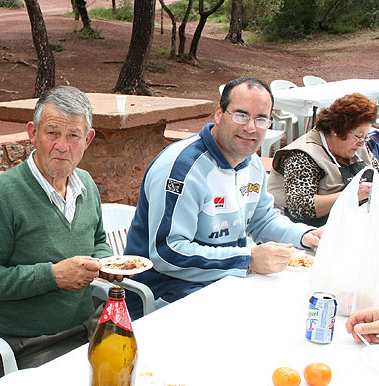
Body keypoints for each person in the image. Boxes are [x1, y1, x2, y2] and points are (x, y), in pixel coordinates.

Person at [123, 77, 322, 319]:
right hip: (162, 295)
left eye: (261, 119)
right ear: (219, 114)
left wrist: (304, 236)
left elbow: (262, 221)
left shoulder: (253, 165)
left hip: (223, 283)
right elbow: (168, 253)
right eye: (241, 115)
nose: (251, 127)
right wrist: (247, 260)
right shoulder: (182, 169)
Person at [0, 86, 123, 377]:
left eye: (73, 135)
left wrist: (106, 263)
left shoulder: (86, 183)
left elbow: (98, 240)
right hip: (25, 342)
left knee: (137, 370)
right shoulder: (2, 196)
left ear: (88, 139)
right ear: (33, 134)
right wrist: (53, 276)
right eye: (52, 133)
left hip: (86, 324)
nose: (62, 146)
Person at [268, 93, 378, 227]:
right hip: (312, 234)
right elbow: (301, 207)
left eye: (365, 137)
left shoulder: (357, 146)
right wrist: (352, 194)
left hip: (356, 223)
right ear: (337, 130)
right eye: (359, 137)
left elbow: (376, 169)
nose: (362, 143)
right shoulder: (303, 155)